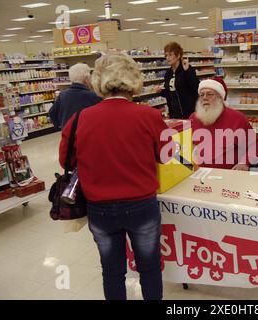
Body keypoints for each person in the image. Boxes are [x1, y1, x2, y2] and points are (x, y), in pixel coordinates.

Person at [59, 54, 172, 300]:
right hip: (142, 205)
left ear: (98, 81)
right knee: (150, 267)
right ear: (134, 81)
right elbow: (167, 156)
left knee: (112, 271)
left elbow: (65, 162)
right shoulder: (150, 116)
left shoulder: (79, 119)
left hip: (100, 208)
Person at [190, 77, 258, 170]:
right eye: (202, 95)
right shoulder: (193, 118)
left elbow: (254, 145)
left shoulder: (237, 118)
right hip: (198, 172)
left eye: (210, 94)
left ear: (220, 97)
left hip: (229, 173)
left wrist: (245, 162)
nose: (205, 98)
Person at [49, 63, 102, 129]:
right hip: (86, 134)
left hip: (68, 134)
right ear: (86, 79)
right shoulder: (92, 96)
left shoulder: (63, 94)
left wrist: (61, 126)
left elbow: (52, 113)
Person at [155, 42, 199, 119]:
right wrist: (161, 92)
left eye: (170, 55)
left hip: (189, 112)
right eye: (166, 55)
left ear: (178, 55)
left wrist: (187, 71)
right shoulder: (168, 73)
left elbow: (195, 87)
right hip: (174, 113)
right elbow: (170, 93)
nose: (167, 58)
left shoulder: (187, 68)